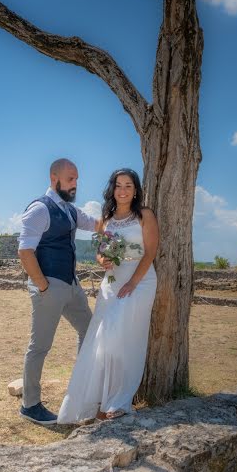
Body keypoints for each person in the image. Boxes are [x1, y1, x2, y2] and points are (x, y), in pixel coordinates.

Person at [57, 168, 159, 423]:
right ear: (112, 189)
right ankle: (96, 402)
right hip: (112, 282)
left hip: (140, 282)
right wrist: (103, 259)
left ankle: (119, 400)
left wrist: (133, 283)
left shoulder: (145, 215)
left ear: (135, 190)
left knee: (124, 340)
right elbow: (101, 252)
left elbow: (150, 252)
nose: (123, 190)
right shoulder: (106, 218)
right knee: (102, 341)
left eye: (128, 185)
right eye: (118, 185)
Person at [18, 158, 102, 426]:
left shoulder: (70, 210)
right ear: (54, 178)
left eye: (77, 178)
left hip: (72, 285)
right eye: (70, 179)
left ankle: (80, 391)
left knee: (89, 332)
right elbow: (25, 251)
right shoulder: (39, 209)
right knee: (40, 346)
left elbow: (96, 224)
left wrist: (127, 216)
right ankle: (30, 405)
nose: (75, 184)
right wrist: (43, 286)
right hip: (50, 287)